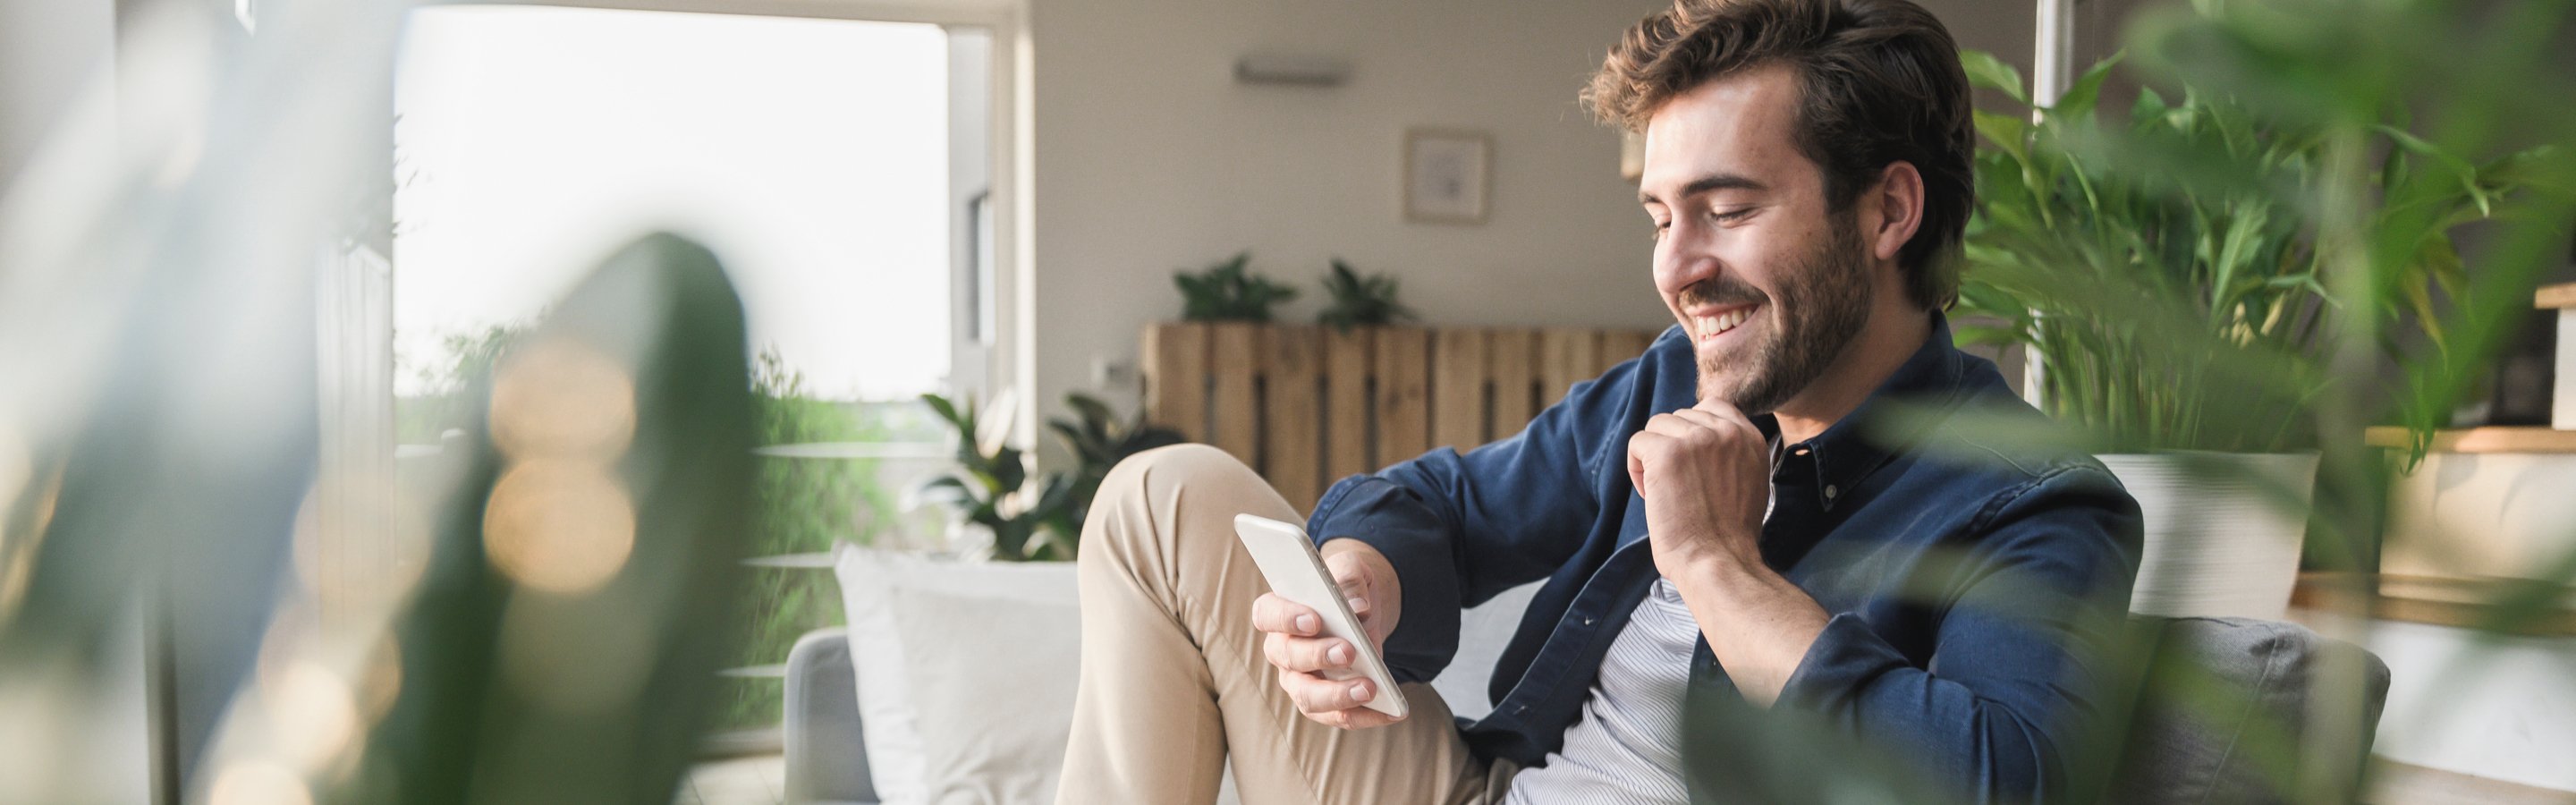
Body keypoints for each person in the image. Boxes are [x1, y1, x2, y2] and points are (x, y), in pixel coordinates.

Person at [1053, 0, 2142, 802]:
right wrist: (1362, 579)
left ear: (1888, 209)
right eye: (1661, 217)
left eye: (1726, 209)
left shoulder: (2030, 502)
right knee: (1165, 496)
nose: (1679, 268)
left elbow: (2008, 780)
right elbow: (1448, 503)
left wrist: (1719, 566)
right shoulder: (1672, 381)